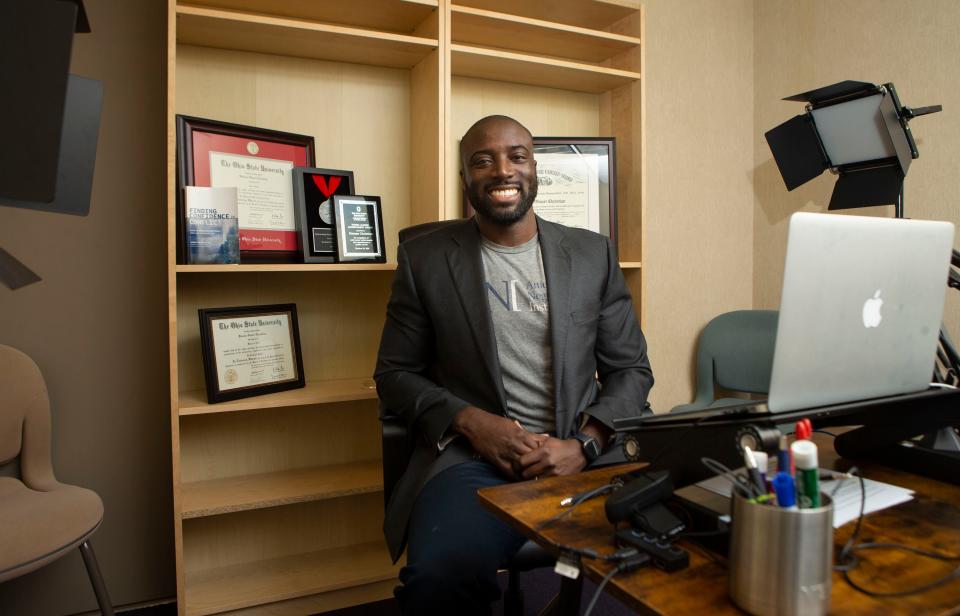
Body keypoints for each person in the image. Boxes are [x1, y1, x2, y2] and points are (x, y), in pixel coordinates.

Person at [374, 115, 653, 614]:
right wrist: (473, 423)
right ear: (465, 179)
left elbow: (631, 370)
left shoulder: (592, 254)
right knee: (440, 579)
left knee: (689, 537)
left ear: (534, 168)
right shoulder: (427, 258)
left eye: (516, 156)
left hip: (584, 448)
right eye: (482, 160)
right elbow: (393, 375)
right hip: (475, 460)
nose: (502, 170)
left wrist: (584, 444)